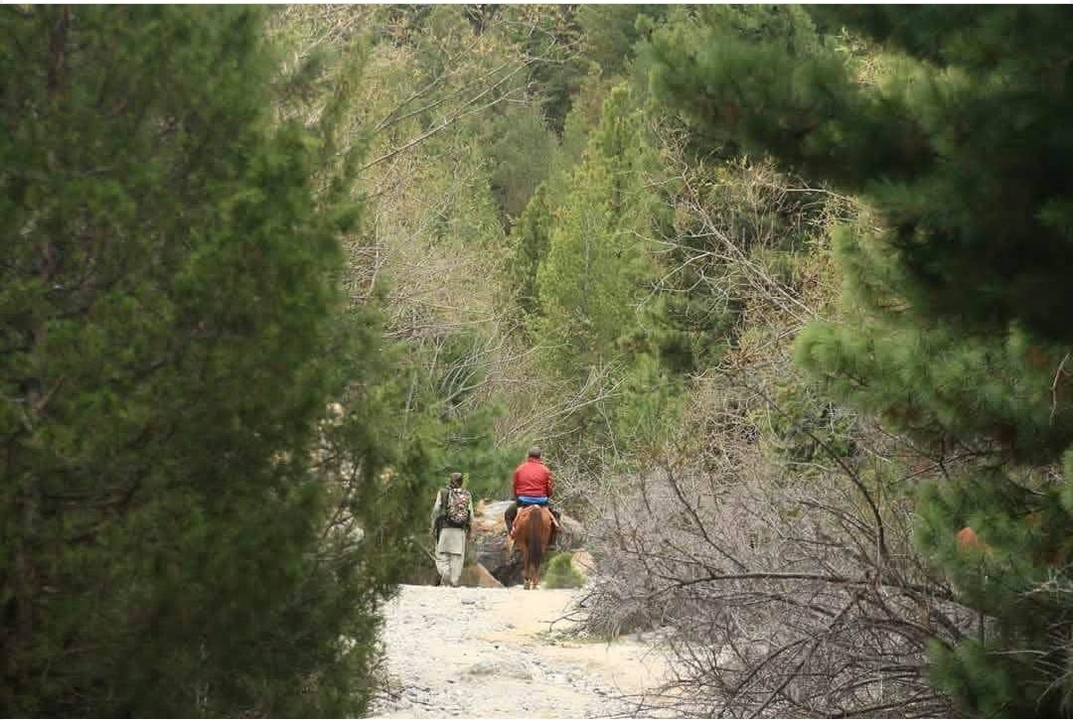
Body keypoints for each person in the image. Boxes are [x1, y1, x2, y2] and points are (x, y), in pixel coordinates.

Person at [503, 446, 561, 547]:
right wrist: (547, 495)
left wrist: (517, 496)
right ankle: (552, 543)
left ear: (528, 456)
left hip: (523, 501)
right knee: (556, 515)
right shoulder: (545, 470)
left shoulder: (520, 469)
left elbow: (515, 485)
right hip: (541, 501)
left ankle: (513, 537)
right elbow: (549, 488)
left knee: (508, 514)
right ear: (540, 457)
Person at [430, 471, 474, 588]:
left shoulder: (443, 492)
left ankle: (446, 577)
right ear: (461, 482)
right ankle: (454, 581)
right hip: (460, 531)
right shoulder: (467, 495)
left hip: (445, 529)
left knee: (441, 555)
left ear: (450, 481)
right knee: (457, 558)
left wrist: (433, 525)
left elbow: (435, 511)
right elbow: (471, 515)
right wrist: (470, 530)